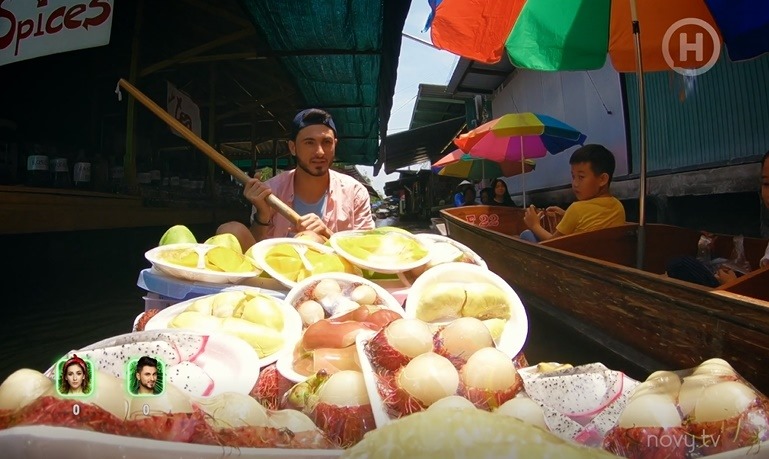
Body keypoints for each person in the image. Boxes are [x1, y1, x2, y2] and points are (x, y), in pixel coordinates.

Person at [216, 108, 375, 250]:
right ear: (293, 148)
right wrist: (263, 214)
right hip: (273, 275)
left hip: (327, 276)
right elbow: (254, 250)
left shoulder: (354, 192)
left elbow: (366, 253)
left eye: (326, 142)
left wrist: (327, 234)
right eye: (309, 143)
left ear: (335, 145)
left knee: (312, 239)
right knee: (230, 230)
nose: (320, 152)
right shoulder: (271, 191)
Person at [520, 144, 626, 242]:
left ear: (602, 179)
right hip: (605, 258)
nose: (575, 184)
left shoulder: (576, 209)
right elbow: (592, 221)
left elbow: (553, 244)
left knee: (526, 234)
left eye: (581, 177)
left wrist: (534, 225)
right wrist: (566, 215)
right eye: (573, 176)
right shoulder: (618, 206)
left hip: (573, 259)